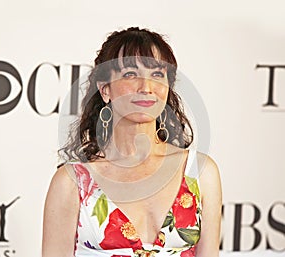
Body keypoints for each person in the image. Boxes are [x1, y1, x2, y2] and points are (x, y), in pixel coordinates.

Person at [42, 27, 222, 257]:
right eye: (130, 74)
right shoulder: (71, 182)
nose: (146, 88)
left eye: (157, 74)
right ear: (105, 89)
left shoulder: (201, 172)